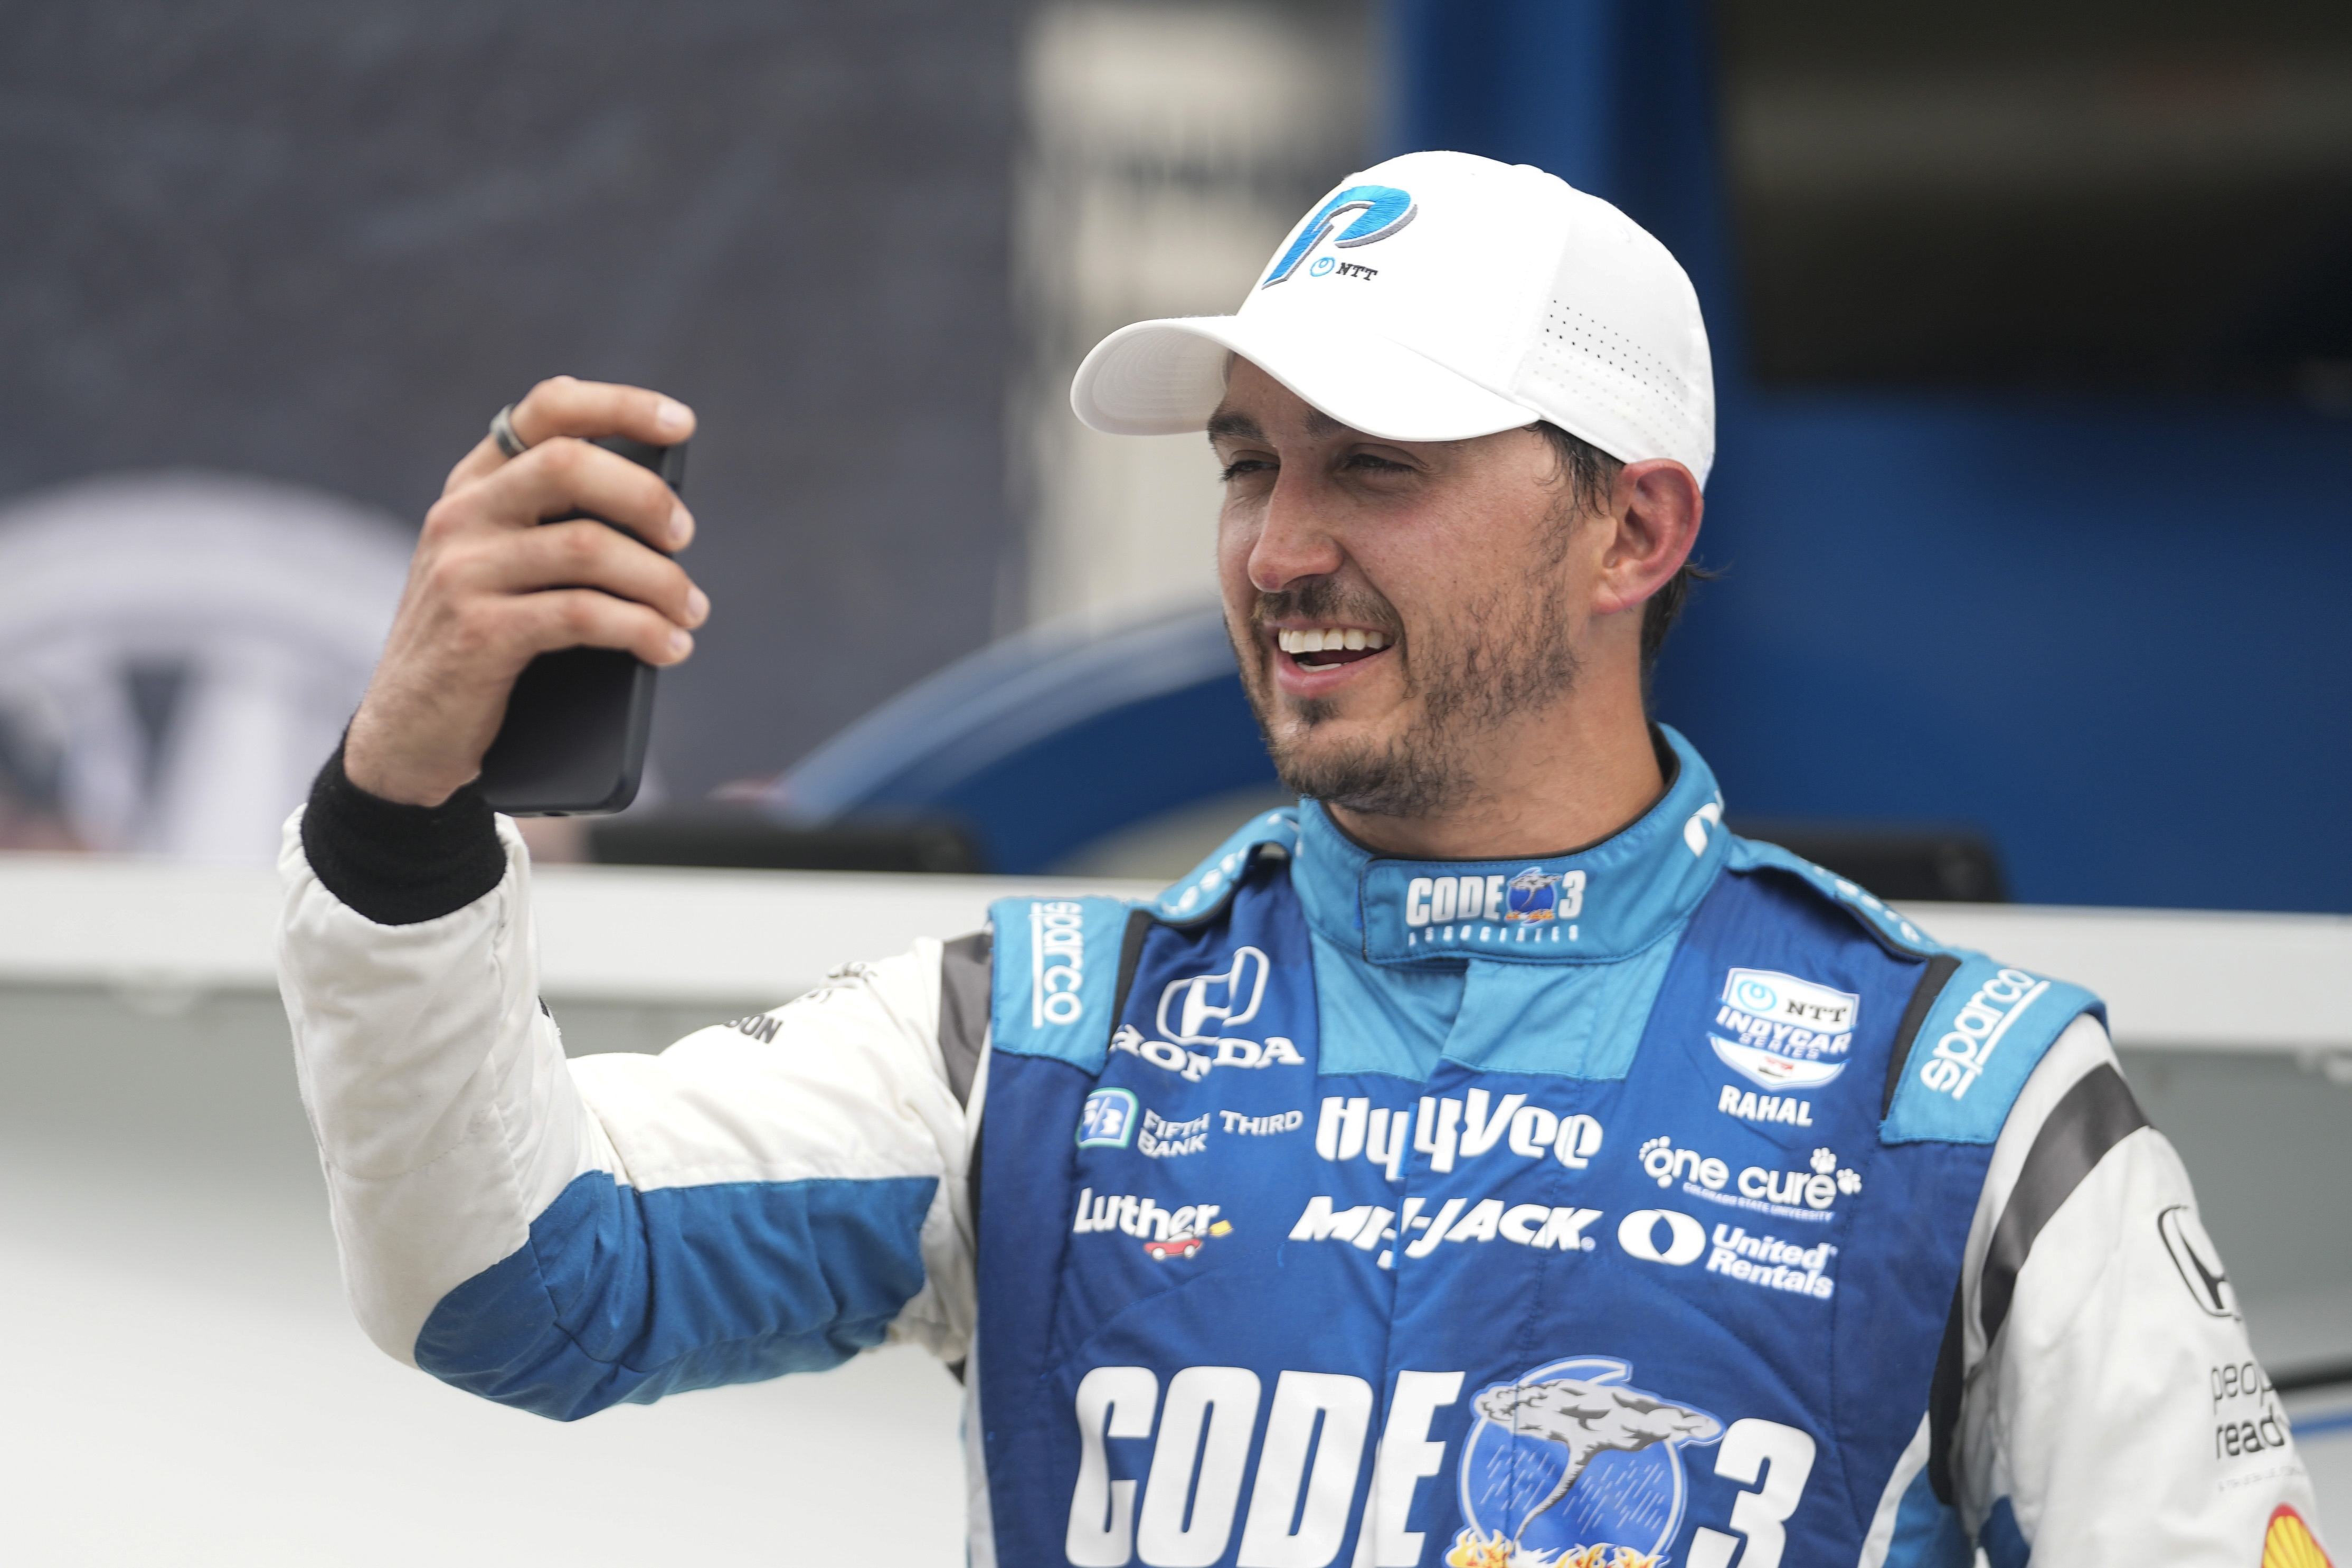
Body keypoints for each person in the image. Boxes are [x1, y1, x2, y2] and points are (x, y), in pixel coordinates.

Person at [277, 151, 2329, 1567]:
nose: (1276, 543)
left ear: (1636, 531)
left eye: (1378, 464)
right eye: (1250, 461)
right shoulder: (1040, 1041)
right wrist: (400, 809)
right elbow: (500, 1282)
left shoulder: (1964, 1094)